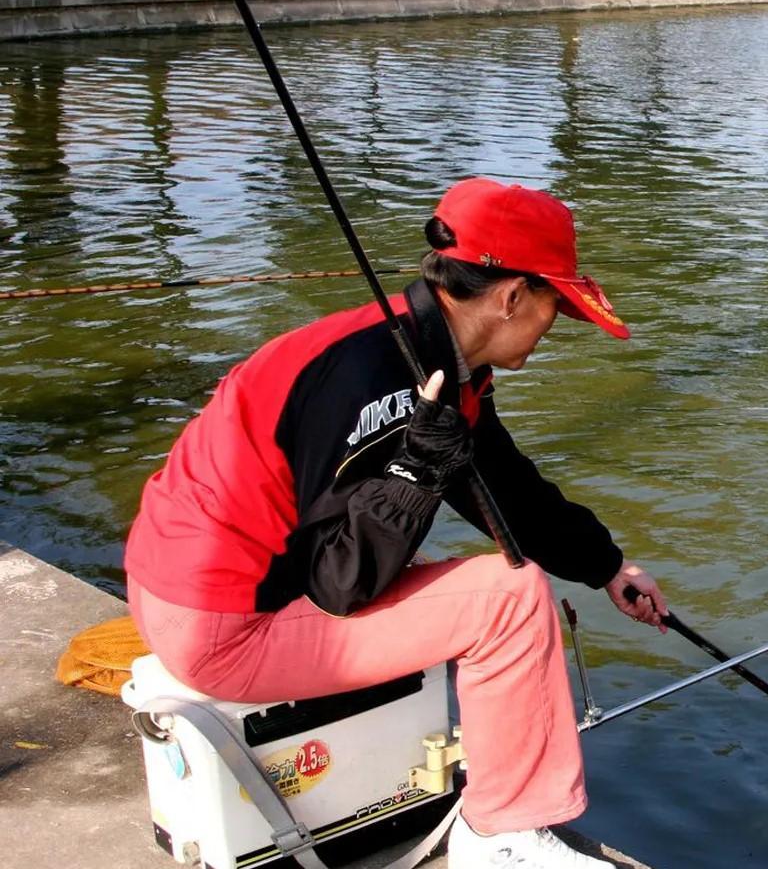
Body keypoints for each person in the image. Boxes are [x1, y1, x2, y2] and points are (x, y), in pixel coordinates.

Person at [124, 178, 668, 869]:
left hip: (207, 593)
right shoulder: (364, 378)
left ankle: (500, 813)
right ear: (510, 297)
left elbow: (503, 487)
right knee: (508, 600)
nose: (554, 324)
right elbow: (340, 587)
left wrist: (605, 567)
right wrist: (416, 472)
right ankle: (500, 833)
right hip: (222, 625)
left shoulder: (435, 360)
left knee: (504, 577)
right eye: (554, 304)